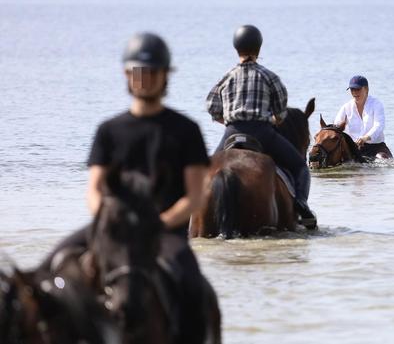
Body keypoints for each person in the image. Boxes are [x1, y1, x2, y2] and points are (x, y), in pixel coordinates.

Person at [40, 32, 210, 344]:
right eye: (138, 72)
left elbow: (195, 197)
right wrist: (110, 219)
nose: (145, 79)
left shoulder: (186, 131)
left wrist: (156, 224)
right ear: (127, 75)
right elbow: (94, 189)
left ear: (165, 76)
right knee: (46, 268)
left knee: (192, 286)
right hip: (112, 229)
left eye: (152, 72)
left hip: (163, 232)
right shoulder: (109, 131)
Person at [206, 24, 317, 228]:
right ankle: (302, 207)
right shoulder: (269, 76)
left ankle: (186, 214)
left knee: (204, 171)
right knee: (300, 167)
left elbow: (211, 107)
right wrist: (275, 120)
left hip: (231, 132)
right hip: (262, 132)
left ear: (236, 48)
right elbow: (281, 111)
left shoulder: (226, 77)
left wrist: (226, 120)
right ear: (259, 48)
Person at [334, 75, 393, 159]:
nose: (354, 92)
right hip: (354, 148)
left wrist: (365, 138)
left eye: (357, 89)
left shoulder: (376, 104)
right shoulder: (346, 107)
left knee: (382, 159)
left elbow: (379, 125)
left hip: (376, 147)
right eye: (352, 89)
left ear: (366, 89)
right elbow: (336, 126)